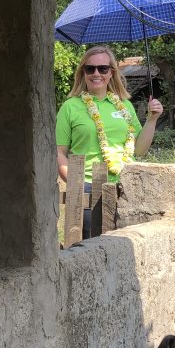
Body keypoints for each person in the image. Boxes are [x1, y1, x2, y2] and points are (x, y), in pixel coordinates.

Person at [56, 45, 163, 236]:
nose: (96, 73)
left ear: (112, 72)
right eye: (90, 68)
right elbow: (59, 152)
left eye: (103, 68)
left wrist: (152, 119)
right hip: (87, 186)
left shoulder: (125, 105)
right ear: (83, 73)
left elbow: (139, 150)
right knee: (90, 247)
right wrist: (75, 184)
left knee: (123, 243)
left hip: (125, 185)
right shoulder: (70, 107)